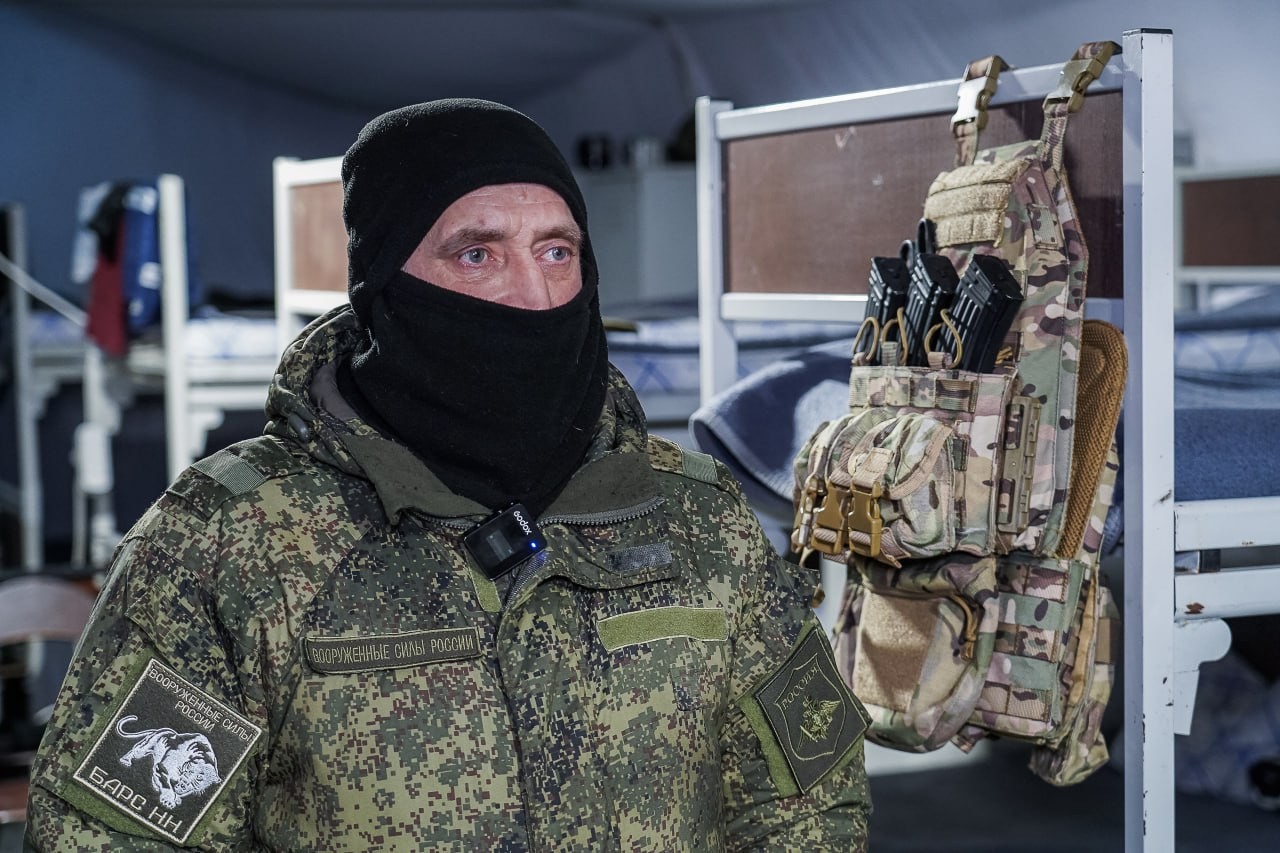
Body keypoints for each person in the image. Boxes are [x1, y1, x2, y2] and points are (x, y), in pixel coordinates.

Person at [25, 98, 871, 851]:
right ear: (384, 284)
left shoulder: (698, 520)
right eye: (477, 255)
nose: (534, 295)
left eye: (556, 251)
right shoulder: (229, 547)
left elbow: (807, 805)